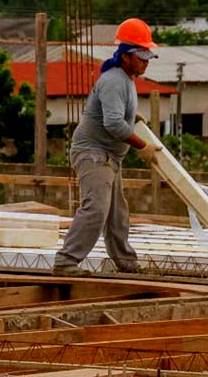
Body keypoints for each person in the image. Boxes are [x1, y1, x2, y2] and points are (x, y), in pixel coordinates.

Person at [52, 18, 163, 277]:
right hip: (93, 153)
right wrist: (142, 145)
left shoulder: (127, 79)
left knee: (116, 213)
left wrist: (133, 117)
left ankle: (125, 262)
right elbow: (113, 124)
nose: (146, 61)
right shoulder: (114, 80)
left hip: (109, 155)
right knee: (96, 208)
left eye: (148, 57)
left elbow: (114, 112)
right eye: (141, 56)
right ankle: (66, 262)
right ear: (126, 57)